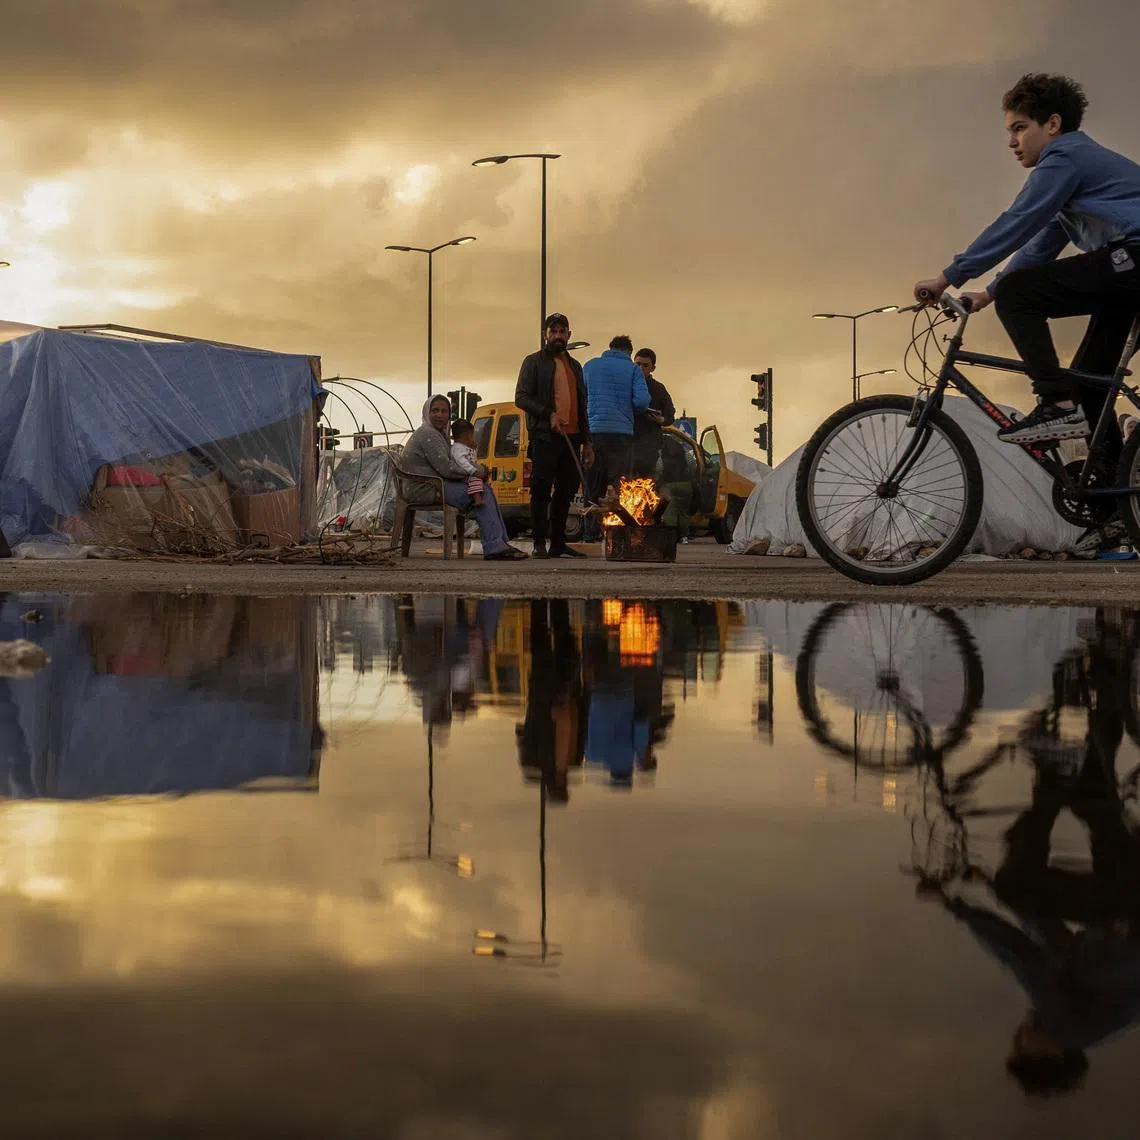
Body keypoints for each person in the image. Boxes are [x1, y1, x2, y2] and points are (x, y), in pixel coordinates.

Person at [913, 73, 1140, 462]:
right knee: (1088, 388)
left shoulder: (1064, 156)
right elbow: (1041, 244)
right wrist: (986, 294)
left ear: (1052, 125)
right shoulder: (1073, 175)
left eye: (1020, 128)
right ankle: (1112, 504)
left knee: (1021, 294)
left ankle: (1055, 405)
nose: (1011, 142)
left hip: (1132, 261)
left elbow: (1018, 221)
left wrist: (947, 277)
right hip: (1126, 274)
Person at [400, 395, 527, 560]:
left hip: (435, 485)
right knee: (484, 493)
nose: (439, 415)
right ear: (427, 412)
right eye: (435, 411)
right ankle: (495, 546)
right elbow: (446, 468)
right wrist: (479, 471)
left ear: (449, 414)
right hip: (426, 488)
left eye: (444, 411)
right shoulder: (428, 434)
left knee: (484, 490)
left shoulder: (438, 434)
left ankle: (500, 543)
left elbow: (451, 465)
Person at [514, 313, 593, 559]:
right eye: (553, 331)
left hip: (572, 438)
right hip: (545, 438)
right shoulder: (533, 362)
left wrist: (588, 442)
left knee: (566, 491)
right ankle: (539, 543)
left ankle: (558, 543)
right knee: (541, 490)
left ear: (569, 335)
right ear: (545, 335)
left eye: (562, 331)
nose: (558, 336)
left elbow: (583, 405)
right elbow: (521, 397)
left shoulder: (575, 366)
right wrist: (548, 414)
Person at [582, 335, 651, 540]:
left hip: (594, 433)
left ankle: (590, 532)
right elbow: (641, 401)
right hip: (621, 435)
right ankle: (618, 533)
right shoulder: (633, 370)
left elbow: (581, 395)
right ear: (629, 352)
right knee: (620, 484)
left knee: (592, 484)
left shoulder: (591, 366)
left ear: (610, 348)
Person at [632, 347, 676, 478]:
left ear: (653, 368)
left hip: (649, 446)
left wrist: (661, 420)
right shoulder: (627, 384)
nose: (640, 368)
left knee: (646, 486)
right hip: (627, 444)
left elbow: (670, 414)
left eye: (645, 365)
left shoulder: (658, 388)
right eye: (637, 364)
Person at [449, 419, 485, 507]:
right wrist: (474, 471)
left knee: (479, 481)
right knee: (475, 480)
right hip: (463, 474)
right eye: (473, 435)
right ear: (467, 436)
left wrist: (473, 449)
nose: (474, 438)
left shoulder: (465, 447)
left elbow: (472, 459)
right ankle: (477, 499)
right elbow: (462, 461)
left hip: (468, 473)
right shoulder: (457, 448)